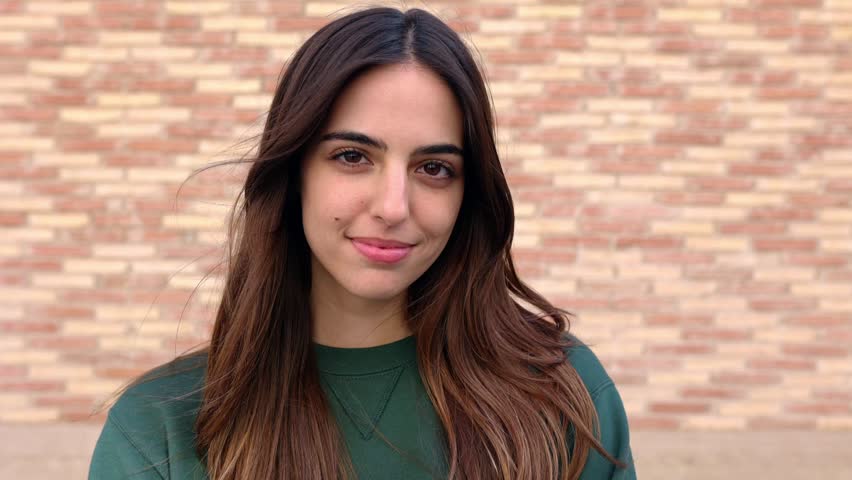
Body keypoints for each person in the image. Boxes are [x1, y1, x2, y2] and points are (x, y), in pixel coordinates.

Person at [88, 6, 636, 480]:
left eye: (434, 168)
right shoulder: (161, 428)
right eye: (352, 157)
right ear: (294, 174)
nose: (393, 207)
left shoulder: (563, 396)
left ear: (468, 194)